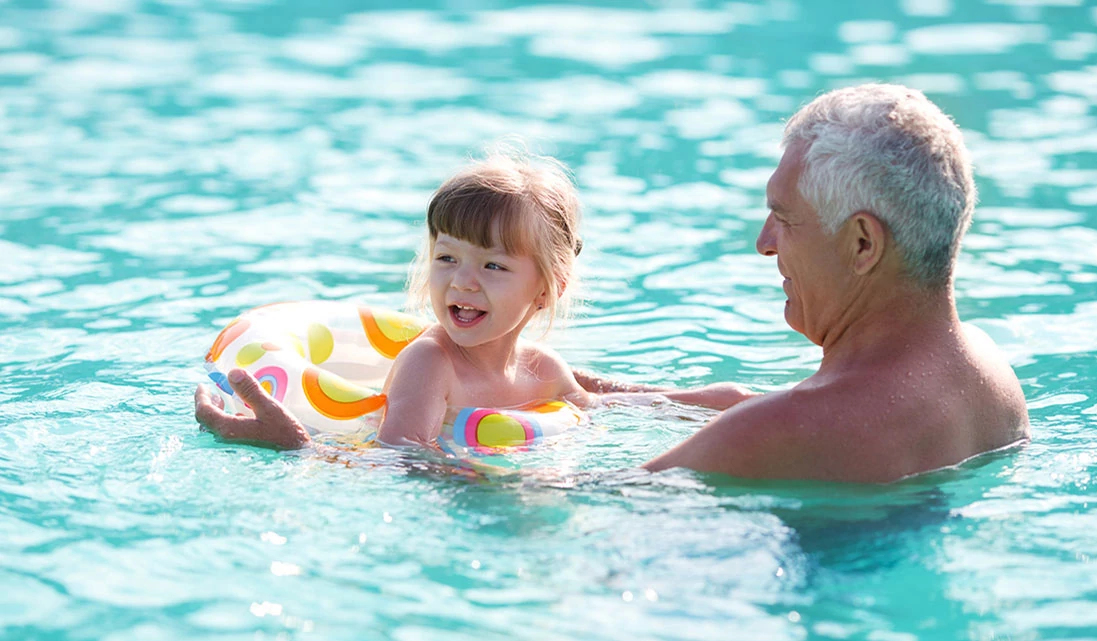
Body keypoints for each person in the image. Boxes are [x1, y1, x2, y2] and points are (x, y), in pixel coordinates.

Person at [577, 83, 1030, 482]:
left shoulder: (778, 431)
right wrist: (584, 391)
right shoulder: (989, 376)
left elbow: (584, 504)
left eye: (785, 219)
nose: (764, 243)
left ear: (862, 244)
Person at [194, 150, 750, 451]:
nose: (462, 281)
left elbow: (601, 408)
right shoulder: (429, 365)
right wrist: (296, 445)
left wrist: (706, 397)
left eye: (493, 265)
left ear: (548, 288)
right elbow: (399, 465)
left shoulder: (542, 369)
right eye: (446, 258)